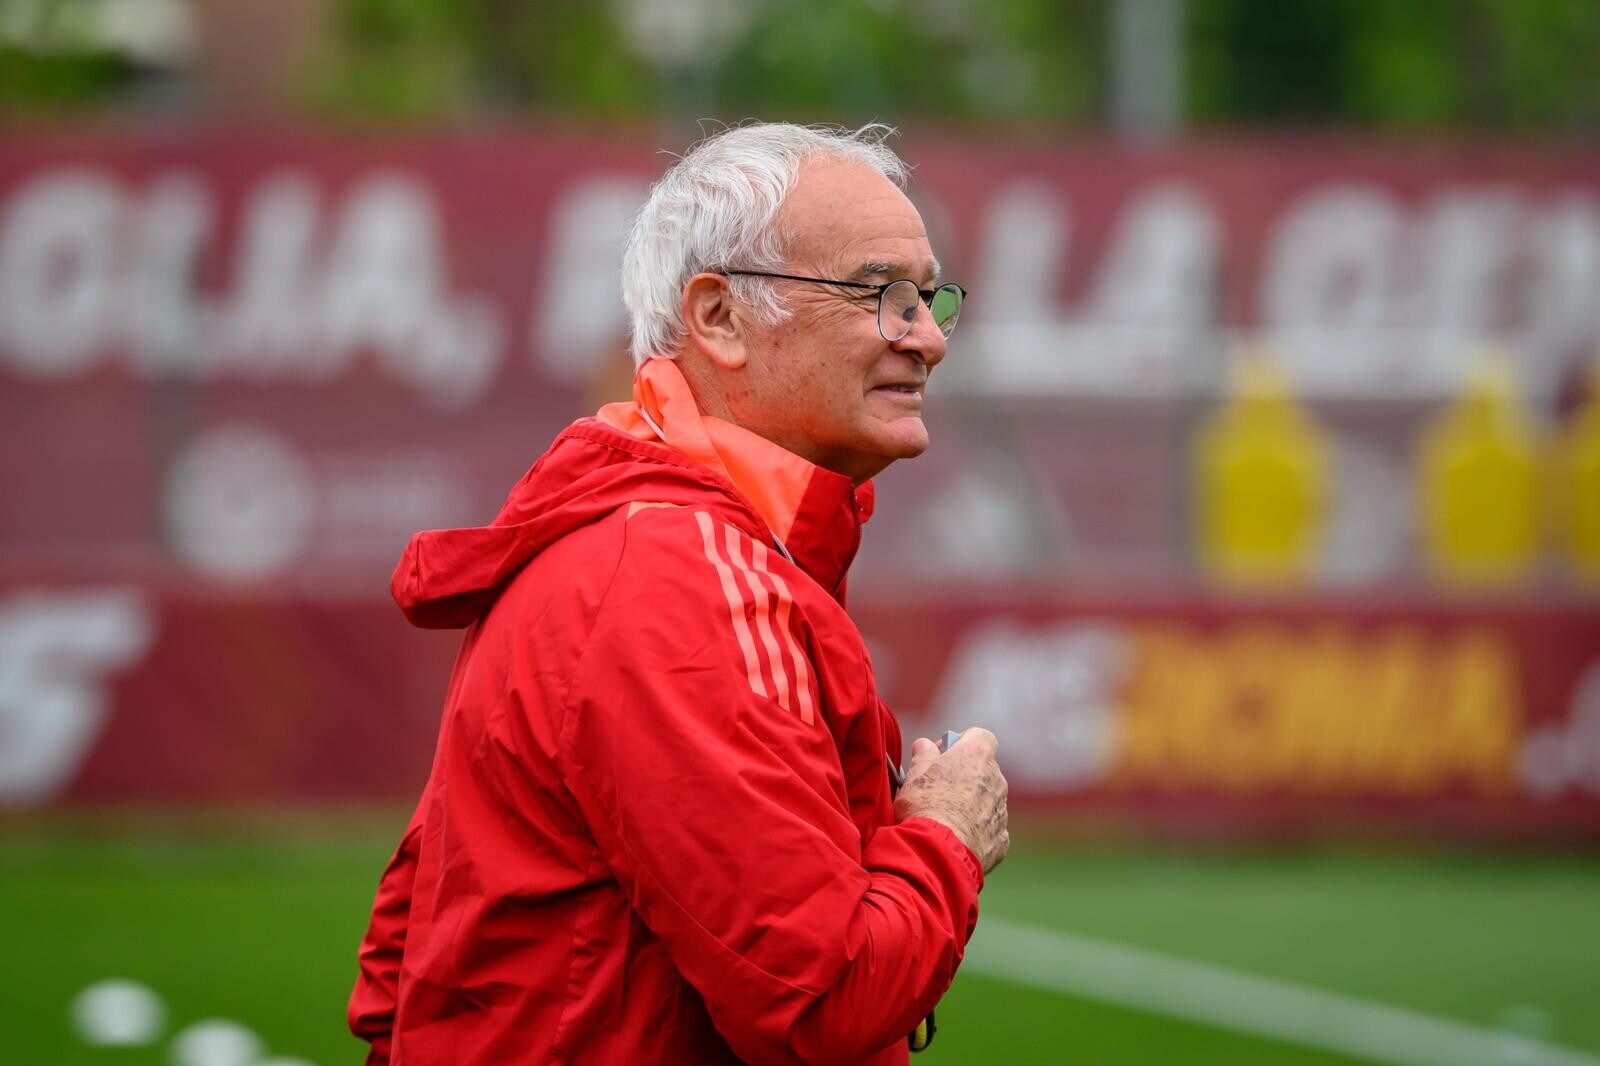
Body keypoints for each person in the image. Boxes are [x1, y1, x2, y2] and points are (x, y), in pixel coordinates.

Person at [349, 122, 1009, 1065]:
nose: (930, 339)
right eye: (881, 295)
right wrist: (947, 835)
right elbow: (822, 1000)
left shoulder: (627, 539)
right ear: (720, 318)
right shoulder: (679, 578)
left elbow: (400, 954)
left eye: (929, 297)